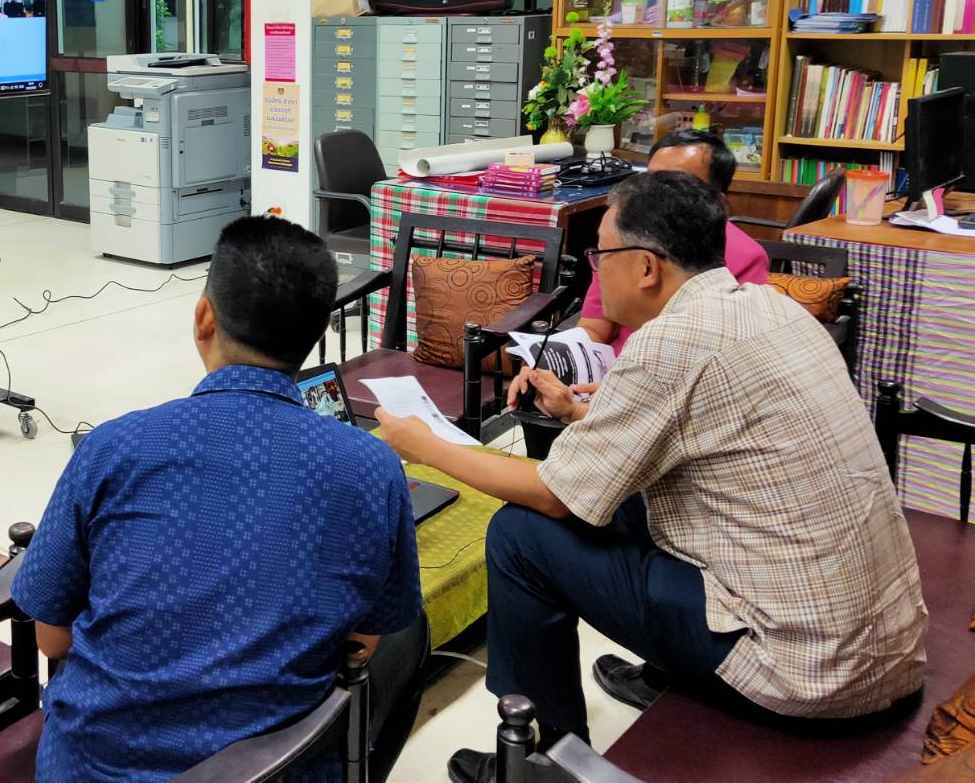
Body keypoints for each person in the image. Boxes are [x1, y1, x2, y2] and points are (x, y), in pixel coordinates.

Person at [375, 173, 927, 783]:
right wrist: (584, 413)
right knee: (630, 498)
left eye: (599, 256)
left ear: (644, 267)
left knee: (521, 536)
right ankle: (654, 679)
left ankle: (545, 760)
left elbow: (556, 497)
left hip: (803, 669)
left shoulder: (675, 340)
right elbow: (698, 438)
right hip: (882, 652)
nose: (594, 271)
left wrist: (424, 446)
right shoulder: (768, 307)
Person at [12, 216, 424, 783]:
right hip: (278, 769)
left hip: (90, 769)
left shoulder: (115, 447)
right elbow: (367, 638)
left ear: (204, 316)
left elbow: (51, 635)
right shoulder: (370, 467)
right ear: (318, 330)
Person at [579, 129, 769, 358]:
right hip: (612, 368)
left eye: (679, 186)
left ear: (717, 202)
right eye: (652, 181)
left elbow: (727, 350)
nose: (657, 197)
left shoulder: (746, 255)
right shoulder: (621, 240)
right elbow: (593, 328)